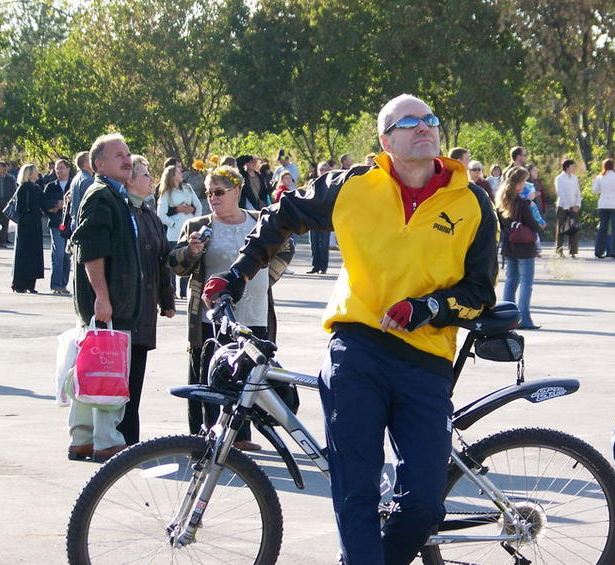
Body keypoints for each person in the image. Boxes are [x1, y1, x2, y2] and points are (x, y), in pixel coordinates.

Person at [201, 93, 497, 565]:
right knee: (356, 488)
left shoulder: (473, 202)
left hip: (427, 360)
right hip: (357, 350)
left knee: (423, 502)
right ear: (386, 141)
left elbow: (480, 291)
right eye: (409, 123)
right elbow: (282, 215)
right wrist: (237, 274)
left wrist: (429, 307)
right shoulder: (353, 185)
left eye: (430, 119)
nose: (424, 127)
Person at [169, 165, 265, 451]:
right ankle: (205, 437)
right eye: (209, 193)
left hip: (254, 314)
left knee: (248, 377)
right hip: (213, 318)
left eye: (219, 192)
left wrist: (264, 281)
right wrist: (192, 251)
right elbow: (175, 265)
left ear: (237, 191)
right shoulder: (198, 225)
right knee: (210, 377)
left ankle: (241, 436)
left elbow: (284, 249)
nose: (212, 198)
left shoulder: (260, 221)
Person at [69, 133, 141, 463]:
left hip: (109, 303)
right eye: (119, 155)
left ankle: (82, 440)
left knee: (90, 369)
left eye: (127, 154)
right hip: (108, 305)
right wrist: (102, 296)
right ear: (99, 164)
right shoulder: (101, 195)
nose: (127, 160)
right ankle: (106, 442)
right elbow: (91, 250)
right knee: (107, 372)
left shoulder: (114, 195)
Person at [119, 155, 176, 444]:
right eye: (144, 174)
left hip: (145, 311)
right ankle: (118, 440)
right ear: (129, 180)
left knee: (136, 379)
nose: (151, 178)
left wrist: (167, 300)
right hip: (123, 311)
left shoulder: (150, 215)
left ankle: (130, 441)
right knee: (118, 381)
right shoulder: (121, 211)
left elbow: (164, 258)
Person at [496, 167, 540, 329]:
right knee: (526, 282)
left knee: (511, 280)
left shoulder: (502, 200)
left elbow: (501, 223)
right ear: (520, 183)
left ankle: (507, 317)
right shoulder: (521, 203)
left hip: (509, 244)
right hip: (524, 246)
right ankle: (524, 318)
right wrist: (539, 227)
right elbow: (532, 224)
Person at [157, 164, 202, 299]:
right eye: (178, 172)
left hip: (188, 230)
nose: (181, 174)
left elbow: (198, 206)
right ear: (171, 176)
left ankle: (183, 292)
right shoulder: (167, 192)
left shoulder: (188, 188)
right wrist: (173, 223)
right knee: (172, 261)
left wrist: (194, 218)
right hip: (174, 232)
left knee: (187, 259)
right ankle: (171, 291)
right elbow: (161, 214)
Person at [11, 165, 45, 291]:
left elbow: (43, 202)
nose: (38, 173)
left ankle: (31, 283)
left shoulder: (36, 187)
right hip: (26, 227)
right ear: (29, 173)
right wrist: (27, 220)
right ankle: (20, 284)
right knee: (24, 255)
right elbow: (21, 209)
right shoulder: (24, 188)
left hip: (35, 225)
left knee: (33, 255)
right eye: (35, 171)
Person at [42, 159, 73, 294]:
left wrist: (66, 204)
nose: (59, 170)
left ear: (68, 169)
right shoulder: (50, 186)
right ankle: (56, 284)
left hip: (69, 224)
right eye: (57, 168)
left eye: (61, 167)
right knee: (58, 253)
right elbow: (44, 203)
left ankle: (63, 284)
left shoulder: (73, 185)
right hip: (56, 223)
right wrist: (57, 204)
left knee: (67, 255)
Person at [555, 159, 581, 258]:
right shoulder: (560, 178)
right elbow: (560, 193)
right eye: (572, 166)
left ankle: (573, 251)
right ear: (567, 167)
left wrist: (577, 204)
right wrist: (567, 206)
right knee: (561, 228)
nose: (574, 168)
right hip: (562, 206)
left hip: (574, 206)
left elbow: (578, 192)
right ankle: (559, 250)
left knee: (573, 228)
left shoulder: (575, 178)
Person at [69, 151, 94, 227]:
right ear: (86, 163)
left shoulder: (76, 178)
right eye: (91, 159)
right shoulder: (88, 180)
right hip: (83, 222)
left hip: (75, 220)